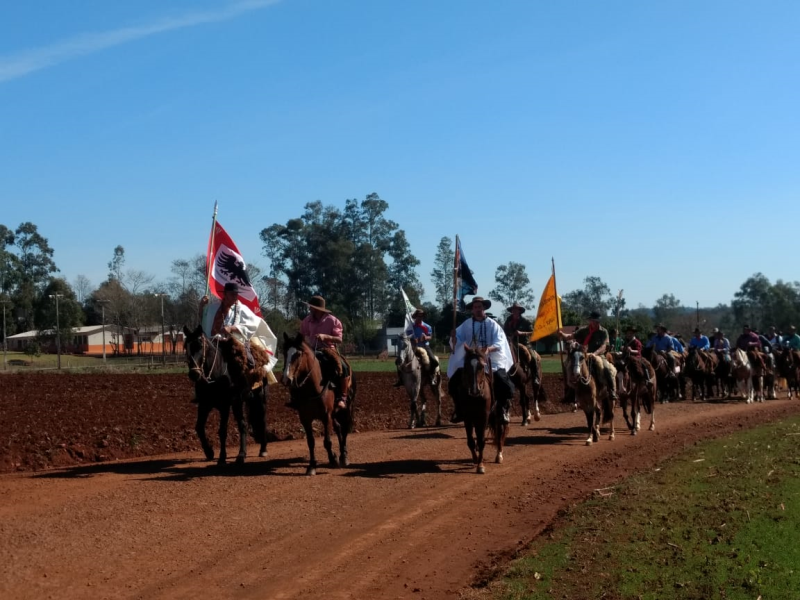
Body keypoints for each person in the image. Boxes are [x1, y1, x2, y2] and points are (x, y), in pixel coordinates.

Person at [197, 282, 278, 399]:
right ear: (225, 294)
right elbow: (203, 318)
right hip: (212, 343)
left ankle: (249, 385)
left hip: (232, 343)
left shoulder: (242, 309)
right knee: (198, 361)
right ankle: (200, 391)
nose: (235, 297)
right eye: (232, 294)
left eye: (236, 294)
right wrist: (201, 306)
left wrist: (232, 328)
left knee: (247, 360)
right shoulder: (212, 307)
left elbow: (253, 324)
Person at [447, 296, 515, 423]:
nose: (478, 309)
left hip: (490, 359)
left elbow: (499, 342)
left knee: (504, 384)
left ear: (484, 308)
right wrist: (454, 340)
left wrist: (489, 349)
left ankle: (503, 409)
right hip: (471, 358)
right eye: (475, 307)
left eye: (480, 307)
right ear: (472, 309)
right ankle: (459, 409)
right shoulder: (465, 325)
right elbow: (457, 340)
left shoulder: (493, 324)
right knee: (453, 383)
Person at [299, 295, 350, 410]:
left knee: (343, 367)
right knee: (298, 367)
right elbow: (301, 335)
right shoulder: (307, 321)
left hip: (328, 350)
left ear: (317, 308)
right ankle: (297, 397)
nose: (309, 309)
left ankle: (343, 397)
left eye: (311, 307)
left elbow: (339, 339)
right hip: (312, 350)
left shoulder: (332, 321)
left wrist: (325, 336)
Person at [557, 310, 617, 403]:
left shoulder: (603, 331)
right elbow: (571, 336)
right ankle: (570, 391)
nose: (591, 322)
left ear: (598, 321)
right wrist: (562, 334)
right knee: (568, 365)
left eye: (593, 320)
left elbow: (604, 346)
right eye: (591, 320)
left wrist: (595, 353)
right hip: (583, 354)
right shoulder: (584, 330)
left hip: (598, 355)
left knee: (606, 368)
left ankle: (611, 390)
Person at [394, 308, 440, 387]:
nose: (420, 318)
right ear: (415, 316)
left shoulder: (427, 326)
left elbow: (430, 336)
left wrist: (426, 337)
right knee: (398, 360)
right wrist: (414, 340)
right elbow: (408, 337)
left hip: (425, 346)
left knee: (434, 361)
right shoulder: (411, 327)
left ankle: (432, 377)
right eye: (418, 316)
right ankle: (401, 379)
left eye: (422, 316)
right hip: (413, 347)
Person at [503, 302, 536, 379]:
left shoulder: (526, 321)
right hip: (510, 343)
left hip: (524, 343)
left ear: (519, 311)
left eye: (516, 309)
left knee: (533, 358)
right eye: (513, 310)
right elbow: (504, 331)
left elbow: (533, 332)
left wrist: (522, 333)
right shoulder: (508, 320)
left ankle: (535, 377)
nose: (514, 311)